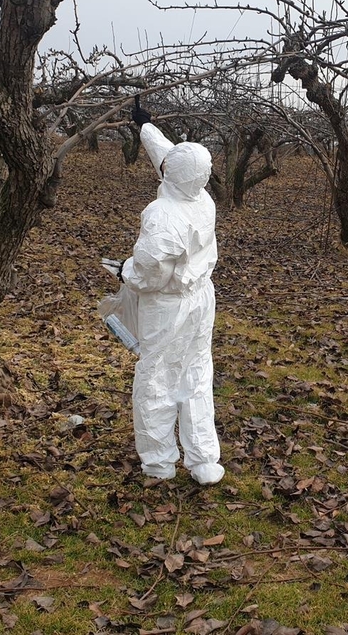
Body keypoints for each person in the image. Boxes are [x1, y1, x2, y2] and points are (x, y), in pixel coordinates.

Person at [119, 117, 224, 485]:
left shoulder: (164, 216)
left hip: (168, 305)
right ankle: (204, 459)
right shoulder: (202, 198)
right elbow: (169, 158)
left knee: (158, 377)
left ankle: (159, 461)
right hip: (201, 298)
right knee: (196, 373)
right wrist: (144, 123)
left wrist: (125, 272)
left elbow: (150, 274)